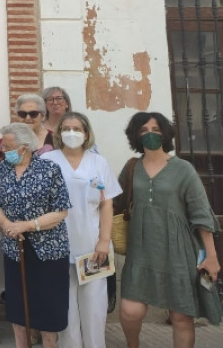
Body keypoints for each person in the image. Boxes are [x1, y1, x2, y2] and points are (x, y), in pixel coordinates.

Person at [117, 112, 222, 348]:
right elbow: (114, 203)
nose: (150, 134)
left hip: (178, 251)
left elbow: (202, 215)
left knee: (180, 316)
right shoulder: (132, 167)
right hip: (141, 251)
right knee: (130, 312)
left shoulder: (183, 169)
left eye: (155, 129)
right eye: (143, 130)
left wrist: (212, 257)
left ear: (165, 133)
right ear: (136, 136)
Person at [42, 112, 121, 348]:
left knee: (94, 307)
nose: (71, 133)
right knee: (65, 308)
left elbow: (107, 203)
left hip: (92, 246)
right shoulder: (48, 161)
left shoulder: (99, 162)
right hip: (58, 246)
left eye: (77, 128)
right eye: (66, 128)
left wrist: (104, 241)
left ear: (86, 133)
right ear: (58, 133)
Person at [0, 122, 71, 348]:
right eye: (3, 146)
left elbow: (61, 211)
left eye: (8, 146)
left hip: (49, 250)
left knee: (48, 309)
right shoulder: (4, 169)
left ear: (24, 147)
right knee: (18, 309)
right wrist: (6, 223)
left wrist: (26, 225)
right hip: (14, 250)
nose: (4, 151)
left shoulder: (49, 169)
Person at [0, 93, 54, 171]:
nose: (28, 118)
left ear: (42, 115)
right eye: (22, 114)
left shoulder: (55, 139)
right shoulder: (9, 140)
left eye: (33, 114)